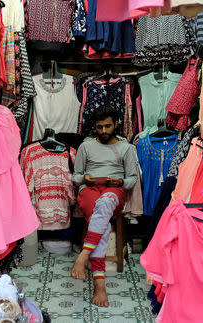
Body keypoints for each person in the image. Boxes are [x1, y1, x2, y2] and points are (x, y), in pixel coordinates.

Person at [71, 106, 138, 307]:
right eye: (99, 127)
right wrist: (85, 178)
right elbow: (75, 177)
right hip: (89, 189)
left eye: (108, 126)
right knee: (100, 218)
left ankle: (85, 257)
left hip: (113, 191)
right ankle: (99, 284)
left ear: (116, 124)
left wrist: (121, 183)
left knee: (104, 204)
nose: (103, 131)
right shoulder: (86, 146)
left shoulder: (127, 148)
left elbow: (132, 179)